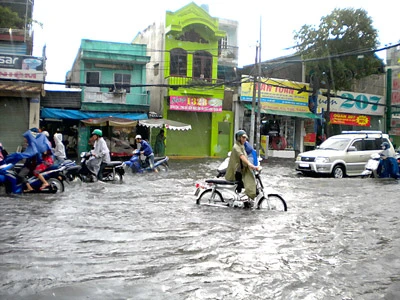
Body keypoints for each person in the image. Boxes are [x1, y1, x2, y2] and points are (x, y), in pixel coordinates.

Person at [225, 130, 259, 202]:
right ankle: (243, 200)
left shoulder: (242, 146)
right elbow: (242, 156)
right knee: (248, 184)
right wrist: (249, 164)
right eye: (243, 138)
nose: (244, 139)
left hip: (241, 170)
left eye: (245, 138)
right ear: (239, 138)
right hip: (236, 172)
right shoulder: (236, 147)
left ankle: (247, 199)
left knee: (251, 182)